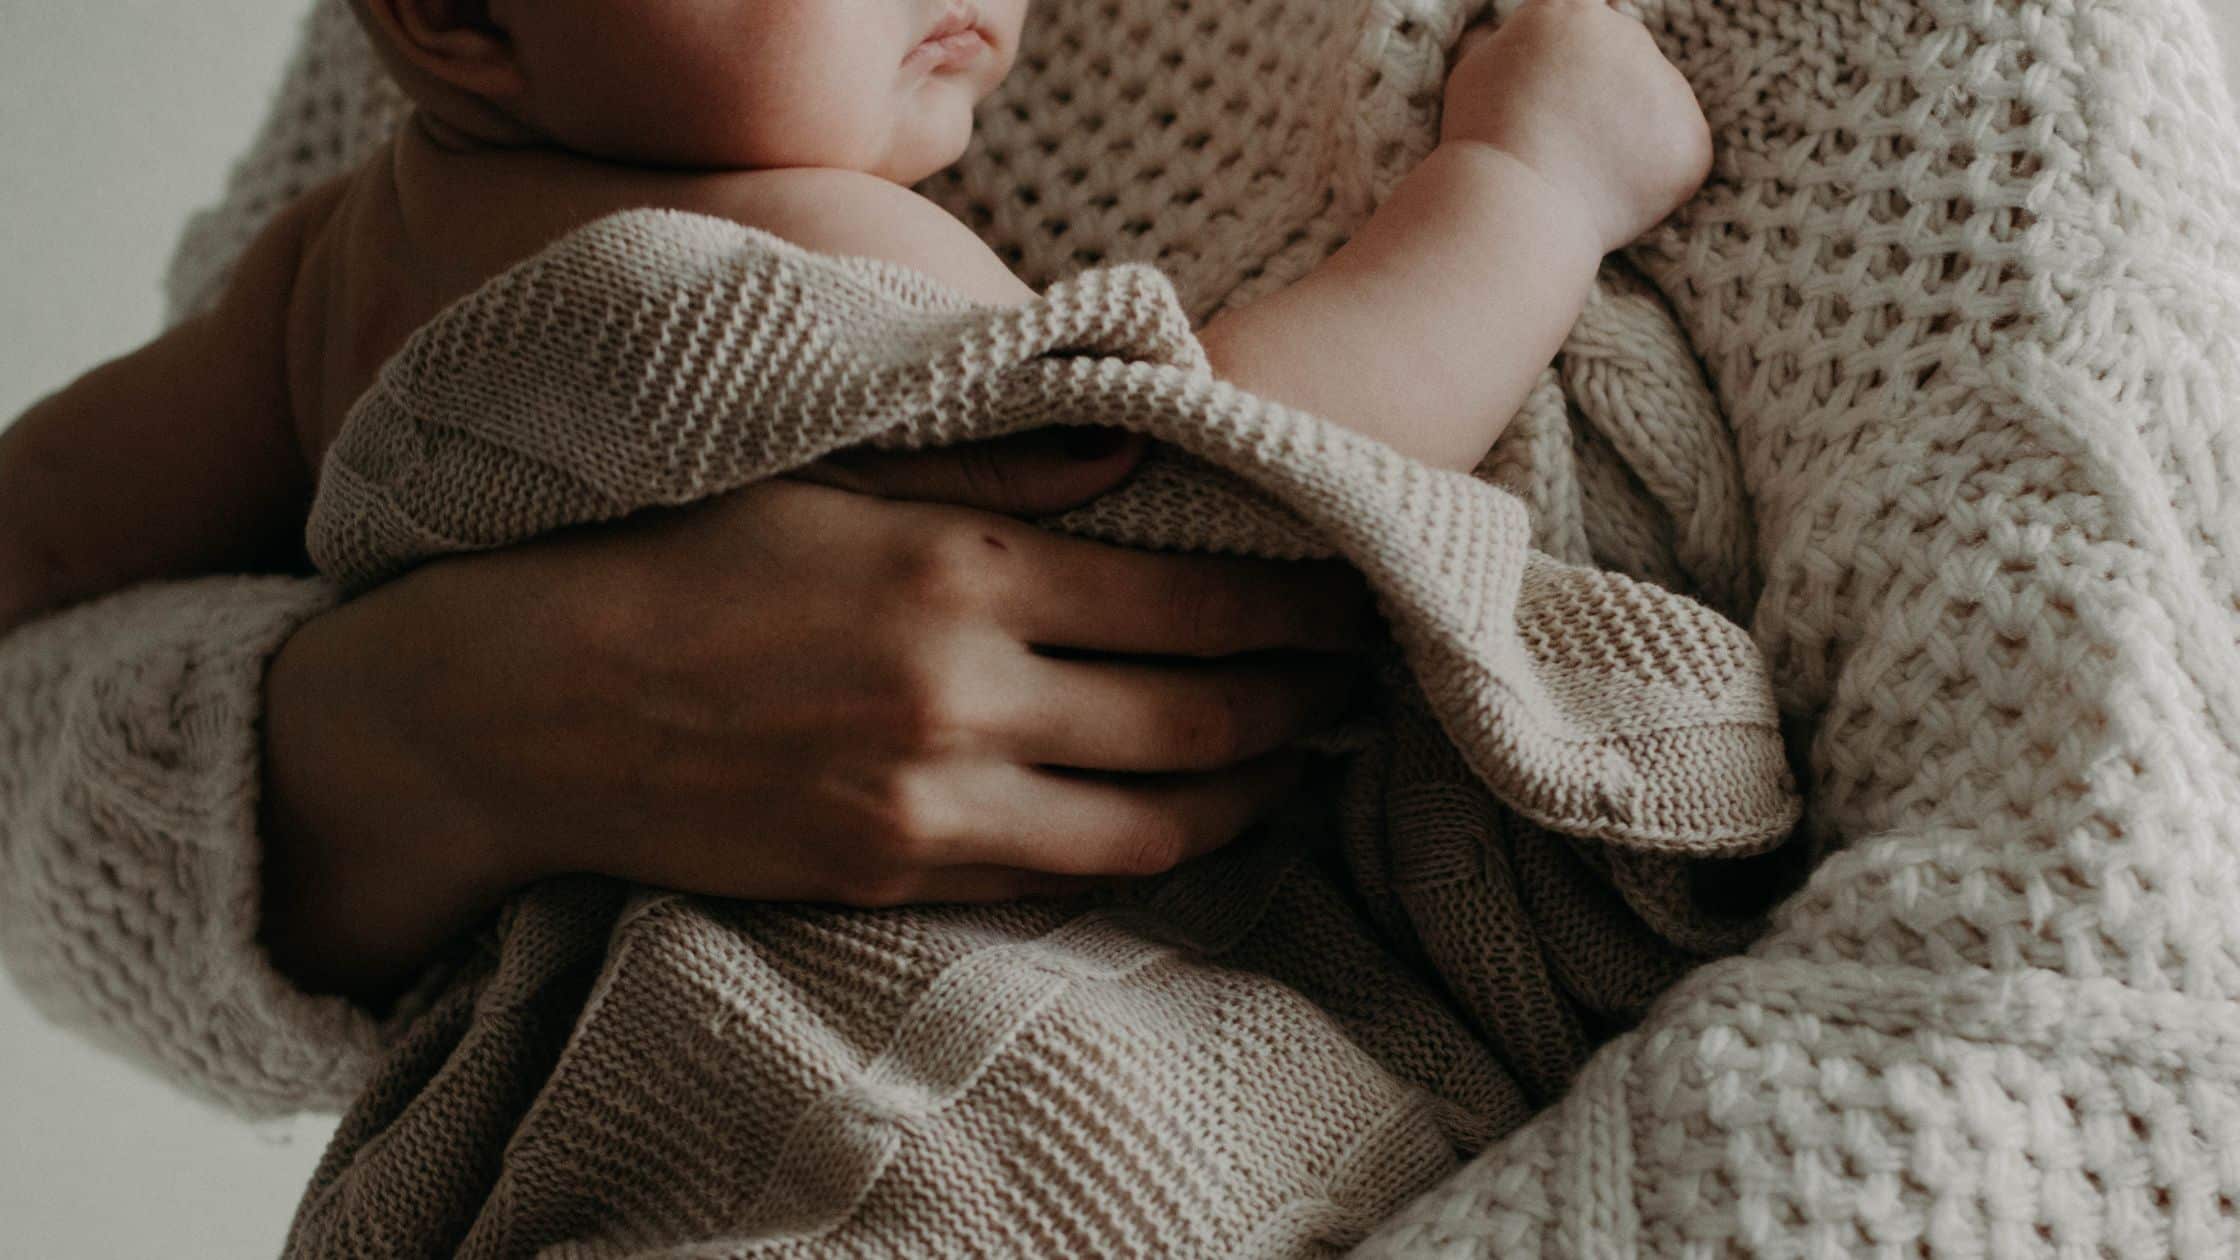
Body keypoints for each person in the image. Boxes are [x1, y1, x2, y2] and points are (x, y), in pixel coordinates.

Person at [1, 0, 1706, 1002]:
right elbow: (1235, 482)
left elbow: (44, 539)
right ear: (456, 15)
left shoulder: (314, 286)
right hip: (913, 1028)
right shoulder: (808, 252)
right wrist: (1524, 193)